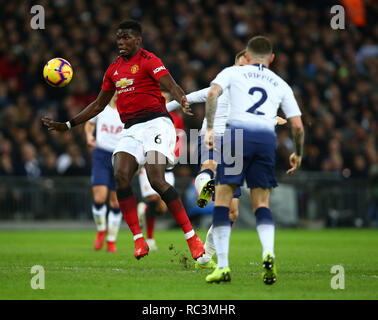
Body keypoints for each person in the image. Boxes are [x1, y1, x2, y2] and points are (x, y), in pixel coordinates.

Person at [42, 20, 205, 261]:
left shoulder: (150, 60)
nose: (121, 42)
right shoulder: (113, 70)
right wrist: (68, 125)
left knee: (156, 179)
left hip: (157, 123)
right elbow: (98, 104)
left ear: (138, 40)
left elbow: (170, 84)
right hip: (131, 129)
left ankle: (192, 238)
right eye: (118, 38)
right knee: (120, 175)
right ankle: (139, 240)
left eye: (126, 37)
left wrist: (181, 99)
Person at [166, 50, 287, 270]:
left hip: (236, 143)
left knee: (232, 212)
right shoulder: (219, 87)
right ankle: (207, 190)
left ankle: (204, 257)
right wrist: (158, 113)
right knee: (209, 167)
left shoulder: (249, 95)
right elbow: (188, 98)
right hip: (211, 136)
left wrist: (272, 120)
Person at [203, 36, 304, 284]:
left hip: (237, 135)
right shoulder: (280, 83)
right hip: (265, 139)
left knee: (223, 200)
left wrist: (208, 128)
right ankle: (268, 253)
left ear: (246, 57)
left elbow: (212, 94)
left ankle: (223, 267)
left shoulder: (232, 73)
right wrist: (298, 153)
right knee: (262, 204)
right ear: (271, 58)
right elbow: (298, 126)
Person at [137, 90, 185, 251]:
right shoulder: (147, 117)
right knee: (152, 199)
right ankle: (150, 239)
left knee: (162, 207)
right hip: (148, 164)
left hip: (167, 167)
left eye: (166, 99)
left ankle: (143, 210)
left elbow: (179, 139)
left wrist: (175, 157)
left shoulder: (176, 119)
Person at [84, 93, 123, 253]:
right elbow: (89, 123)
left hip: (120, 156)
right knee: (99, 197)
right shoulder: (101, 108)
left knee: (116, 202)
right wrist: (88, 136)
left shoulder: (128, 110)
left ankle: (111, 240)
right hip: (101, 155)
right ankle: (101, 230)